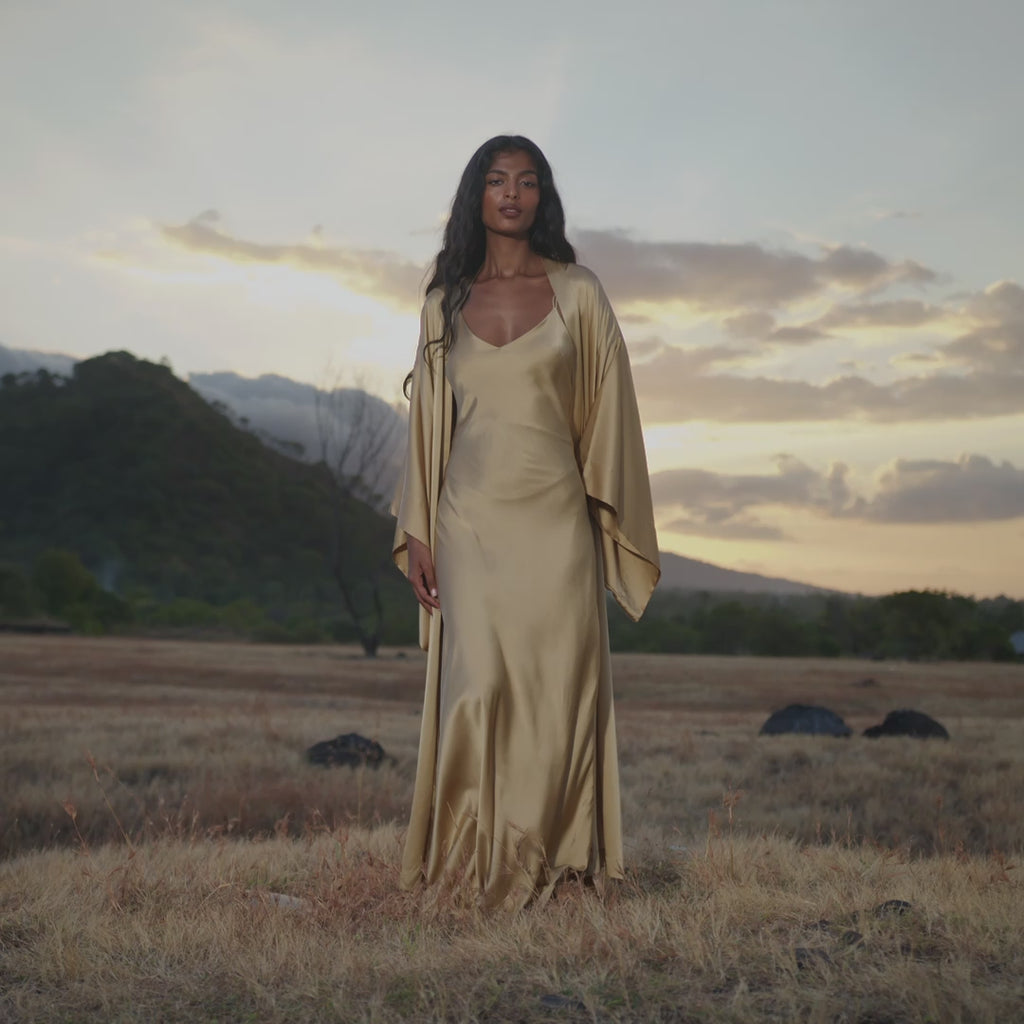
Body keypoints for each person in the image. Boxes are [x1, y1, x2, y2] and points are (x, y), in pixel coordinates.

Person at [391, 135, 659, 910]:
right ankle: (470, 862)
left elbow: (612, 411)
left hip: (556, 524)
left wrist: (606, 516)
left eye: (528, 181)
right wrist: (417, 528)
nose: (512, 193)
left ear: (543, 197)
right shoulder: (443, 303)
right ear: (476, 195)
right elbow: (426, 424)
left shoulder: (580, 293)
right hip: (467, 521)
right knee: (476, 688)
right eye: (498, 180)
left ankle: (558, 863)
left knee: (553, 694)